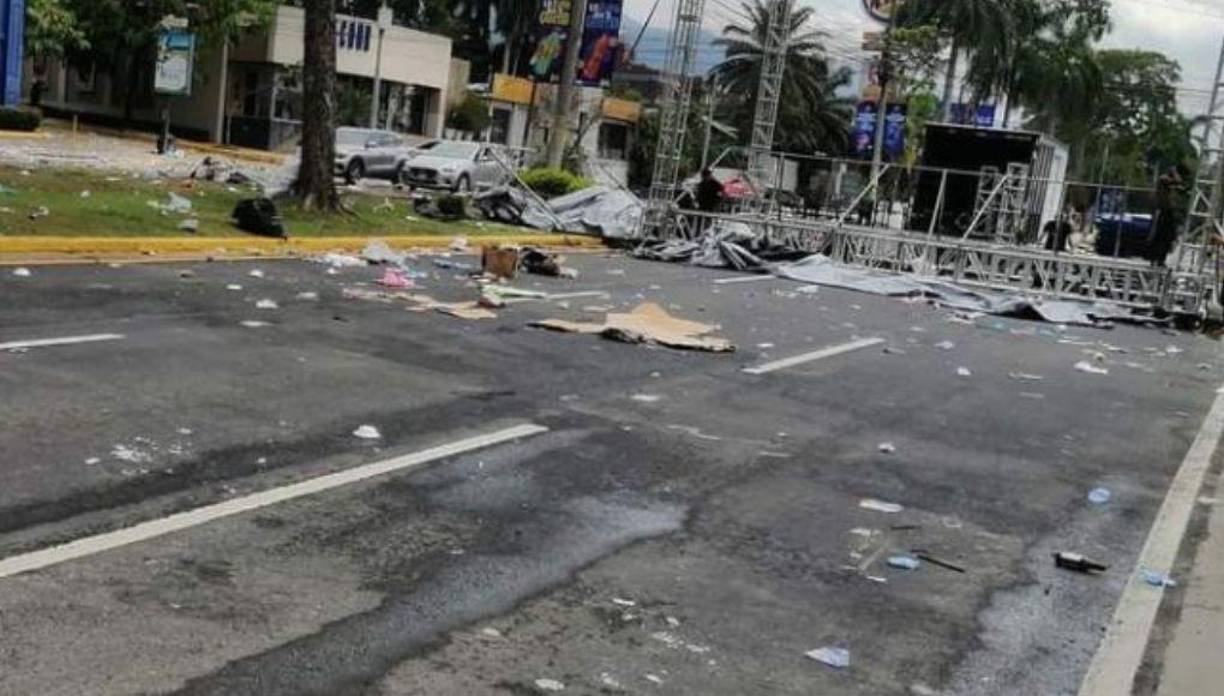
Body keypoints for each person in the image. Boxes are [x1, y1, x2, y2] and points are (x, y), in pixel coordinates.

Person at [1146, 165, 1187, 267]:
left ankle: (1160, 259)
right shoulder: (1163, 179)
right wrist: (1175, 174)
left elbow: (1179, 187)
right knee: (1160, 235)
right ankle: (1154, 258)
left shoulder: (1168, 183)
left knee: (1169, 236)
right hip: (1162, 211)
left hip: (1168, 211)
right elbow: (1177, 181)